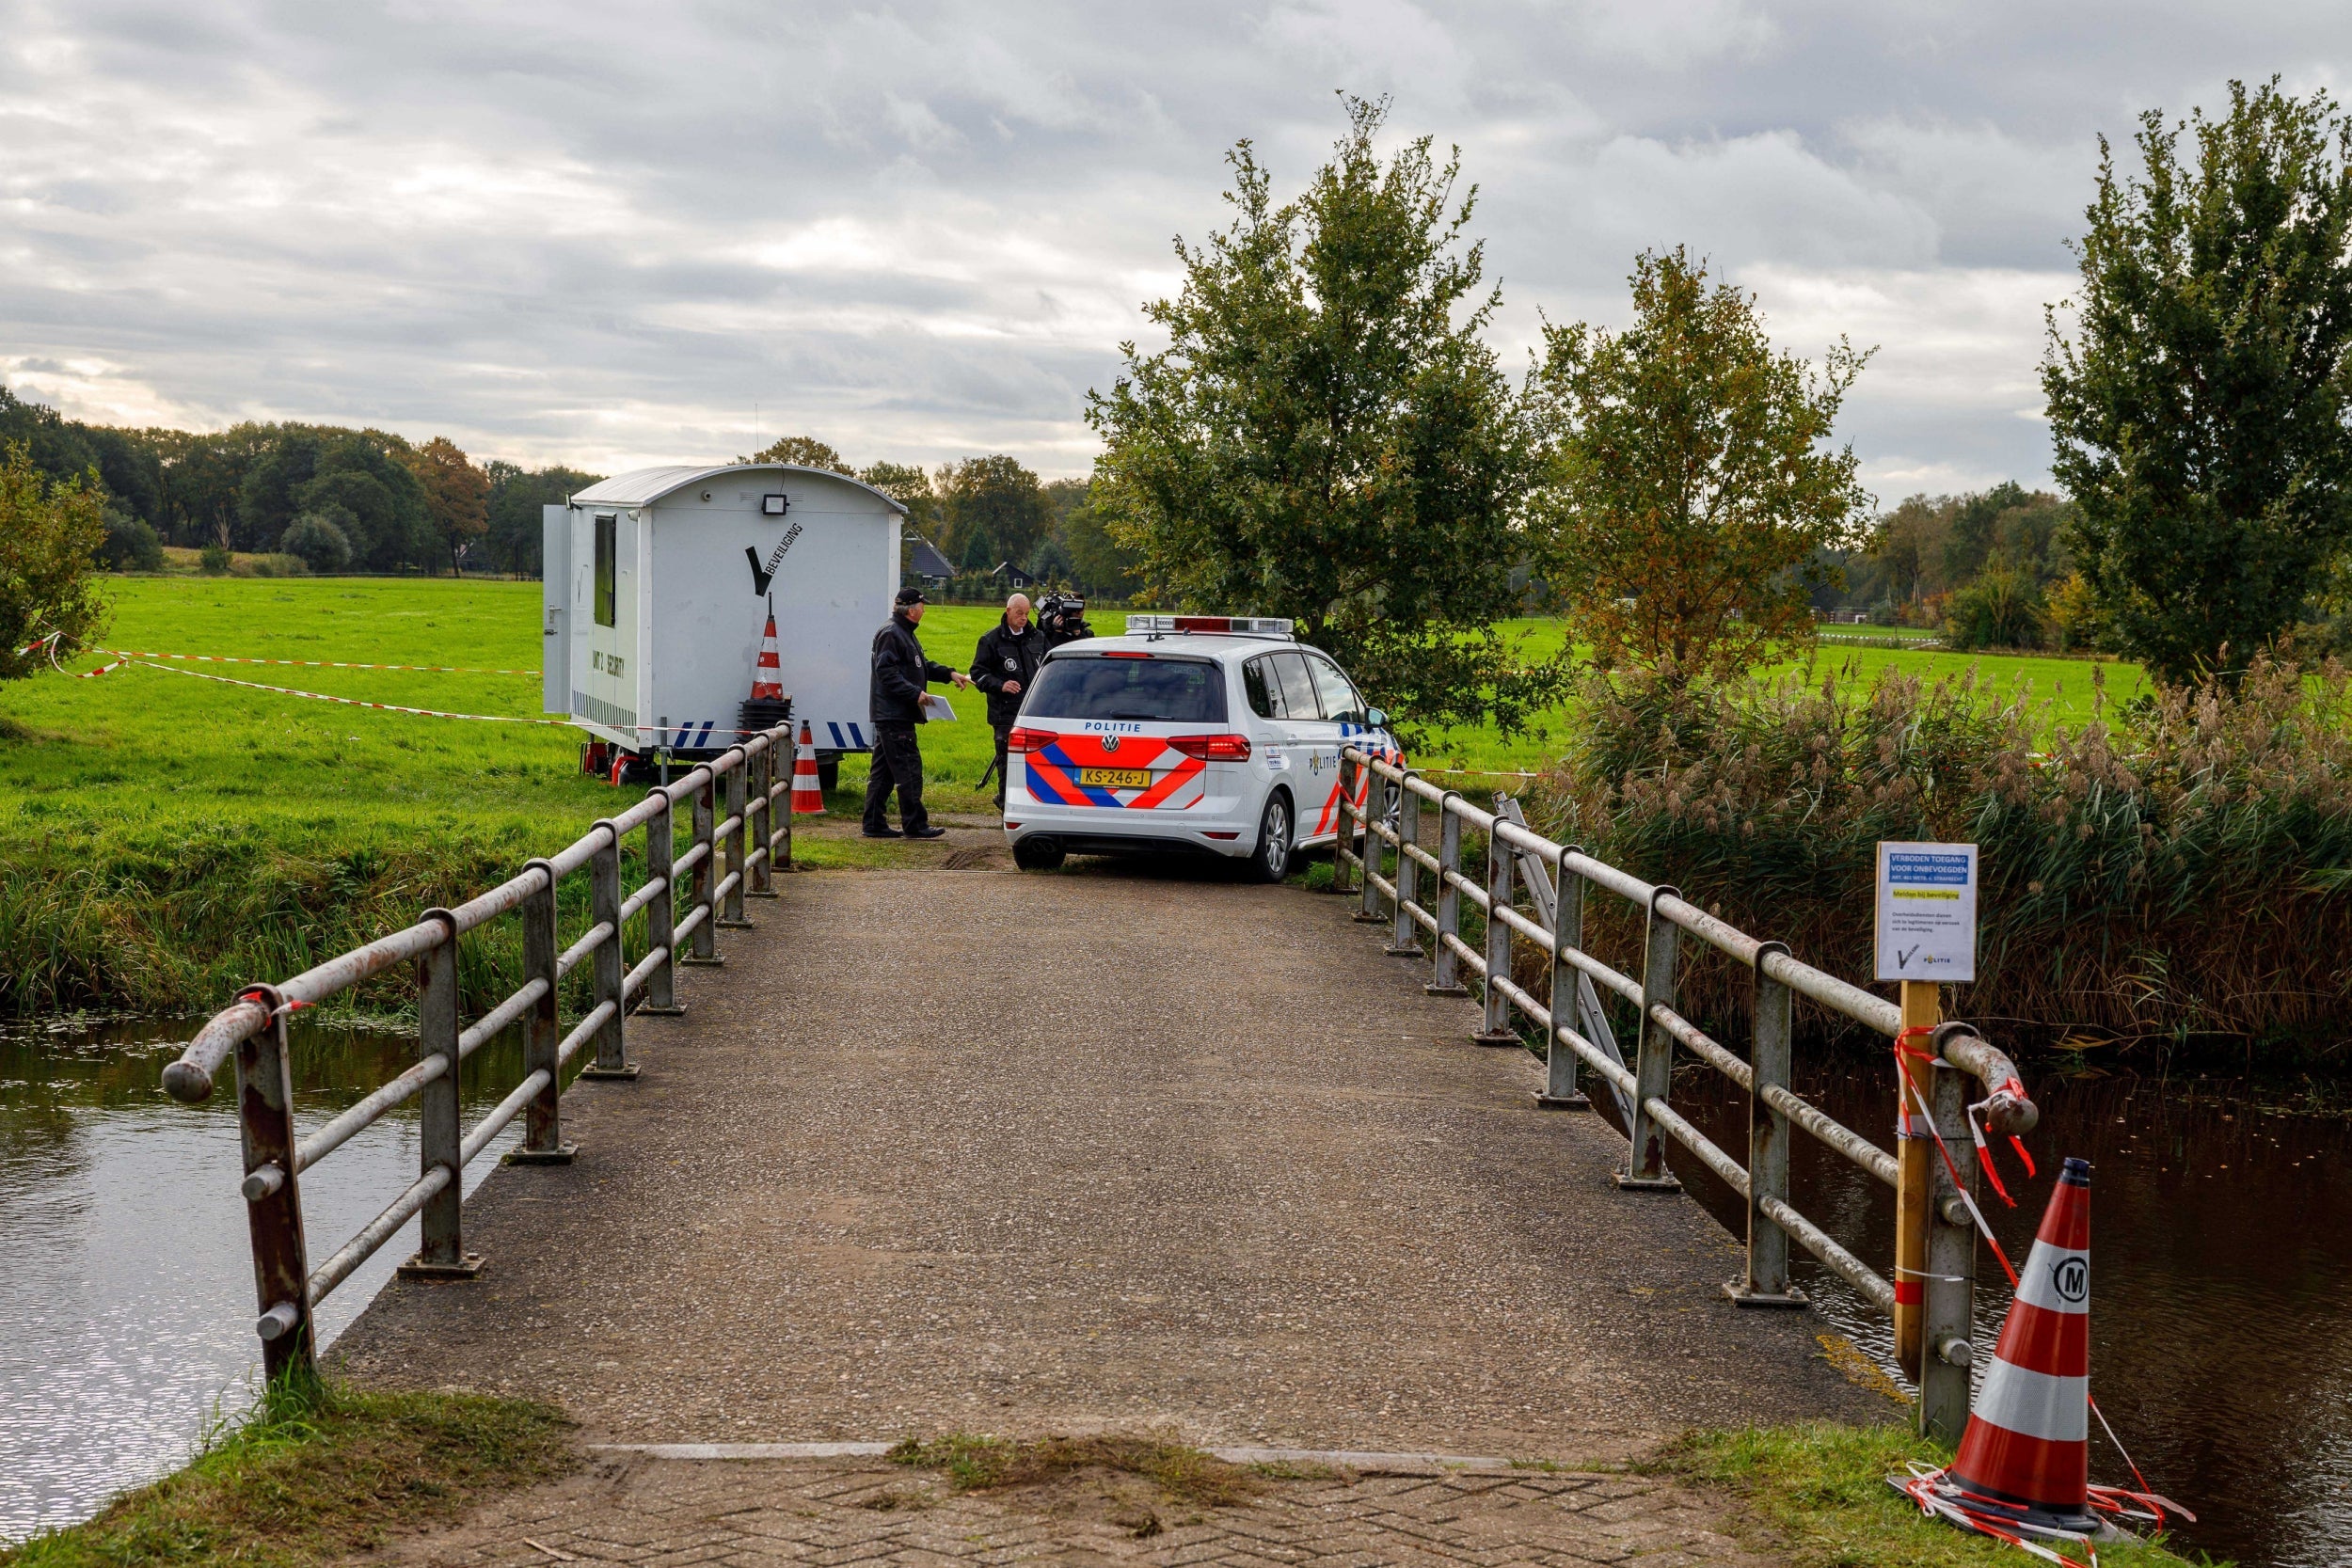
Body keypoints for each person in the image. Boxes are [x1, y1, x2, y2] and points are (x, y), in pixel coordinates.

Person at [865, 587, 971, 839]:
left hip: (892, 714)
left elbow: (920, 666)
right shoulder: (893, 634)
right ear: (912, 610)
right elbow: (886, 672)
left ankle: (873, 823)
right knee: (909, 769)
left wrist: (949, 674)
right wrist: (915, 693)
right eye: (923, 606)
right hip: (895, 715)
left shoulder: (903, 633)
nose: (925, 609)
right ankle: (915, 825)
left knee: (884, 772)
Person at [971, 593, 1048, 808]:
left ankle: (1034, 803)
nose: (1023, 618)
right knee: (1007, 762)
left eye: (1026, 614)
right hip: (1005, 713)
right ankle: (1007, 805)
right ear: (1008, 612)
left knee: (1035, 762)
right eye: (1019, 613)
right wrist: (1000, 685)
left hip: (1034, 711)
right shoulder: (991, 640)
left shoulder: (1038, 638)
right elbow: (977, 673)